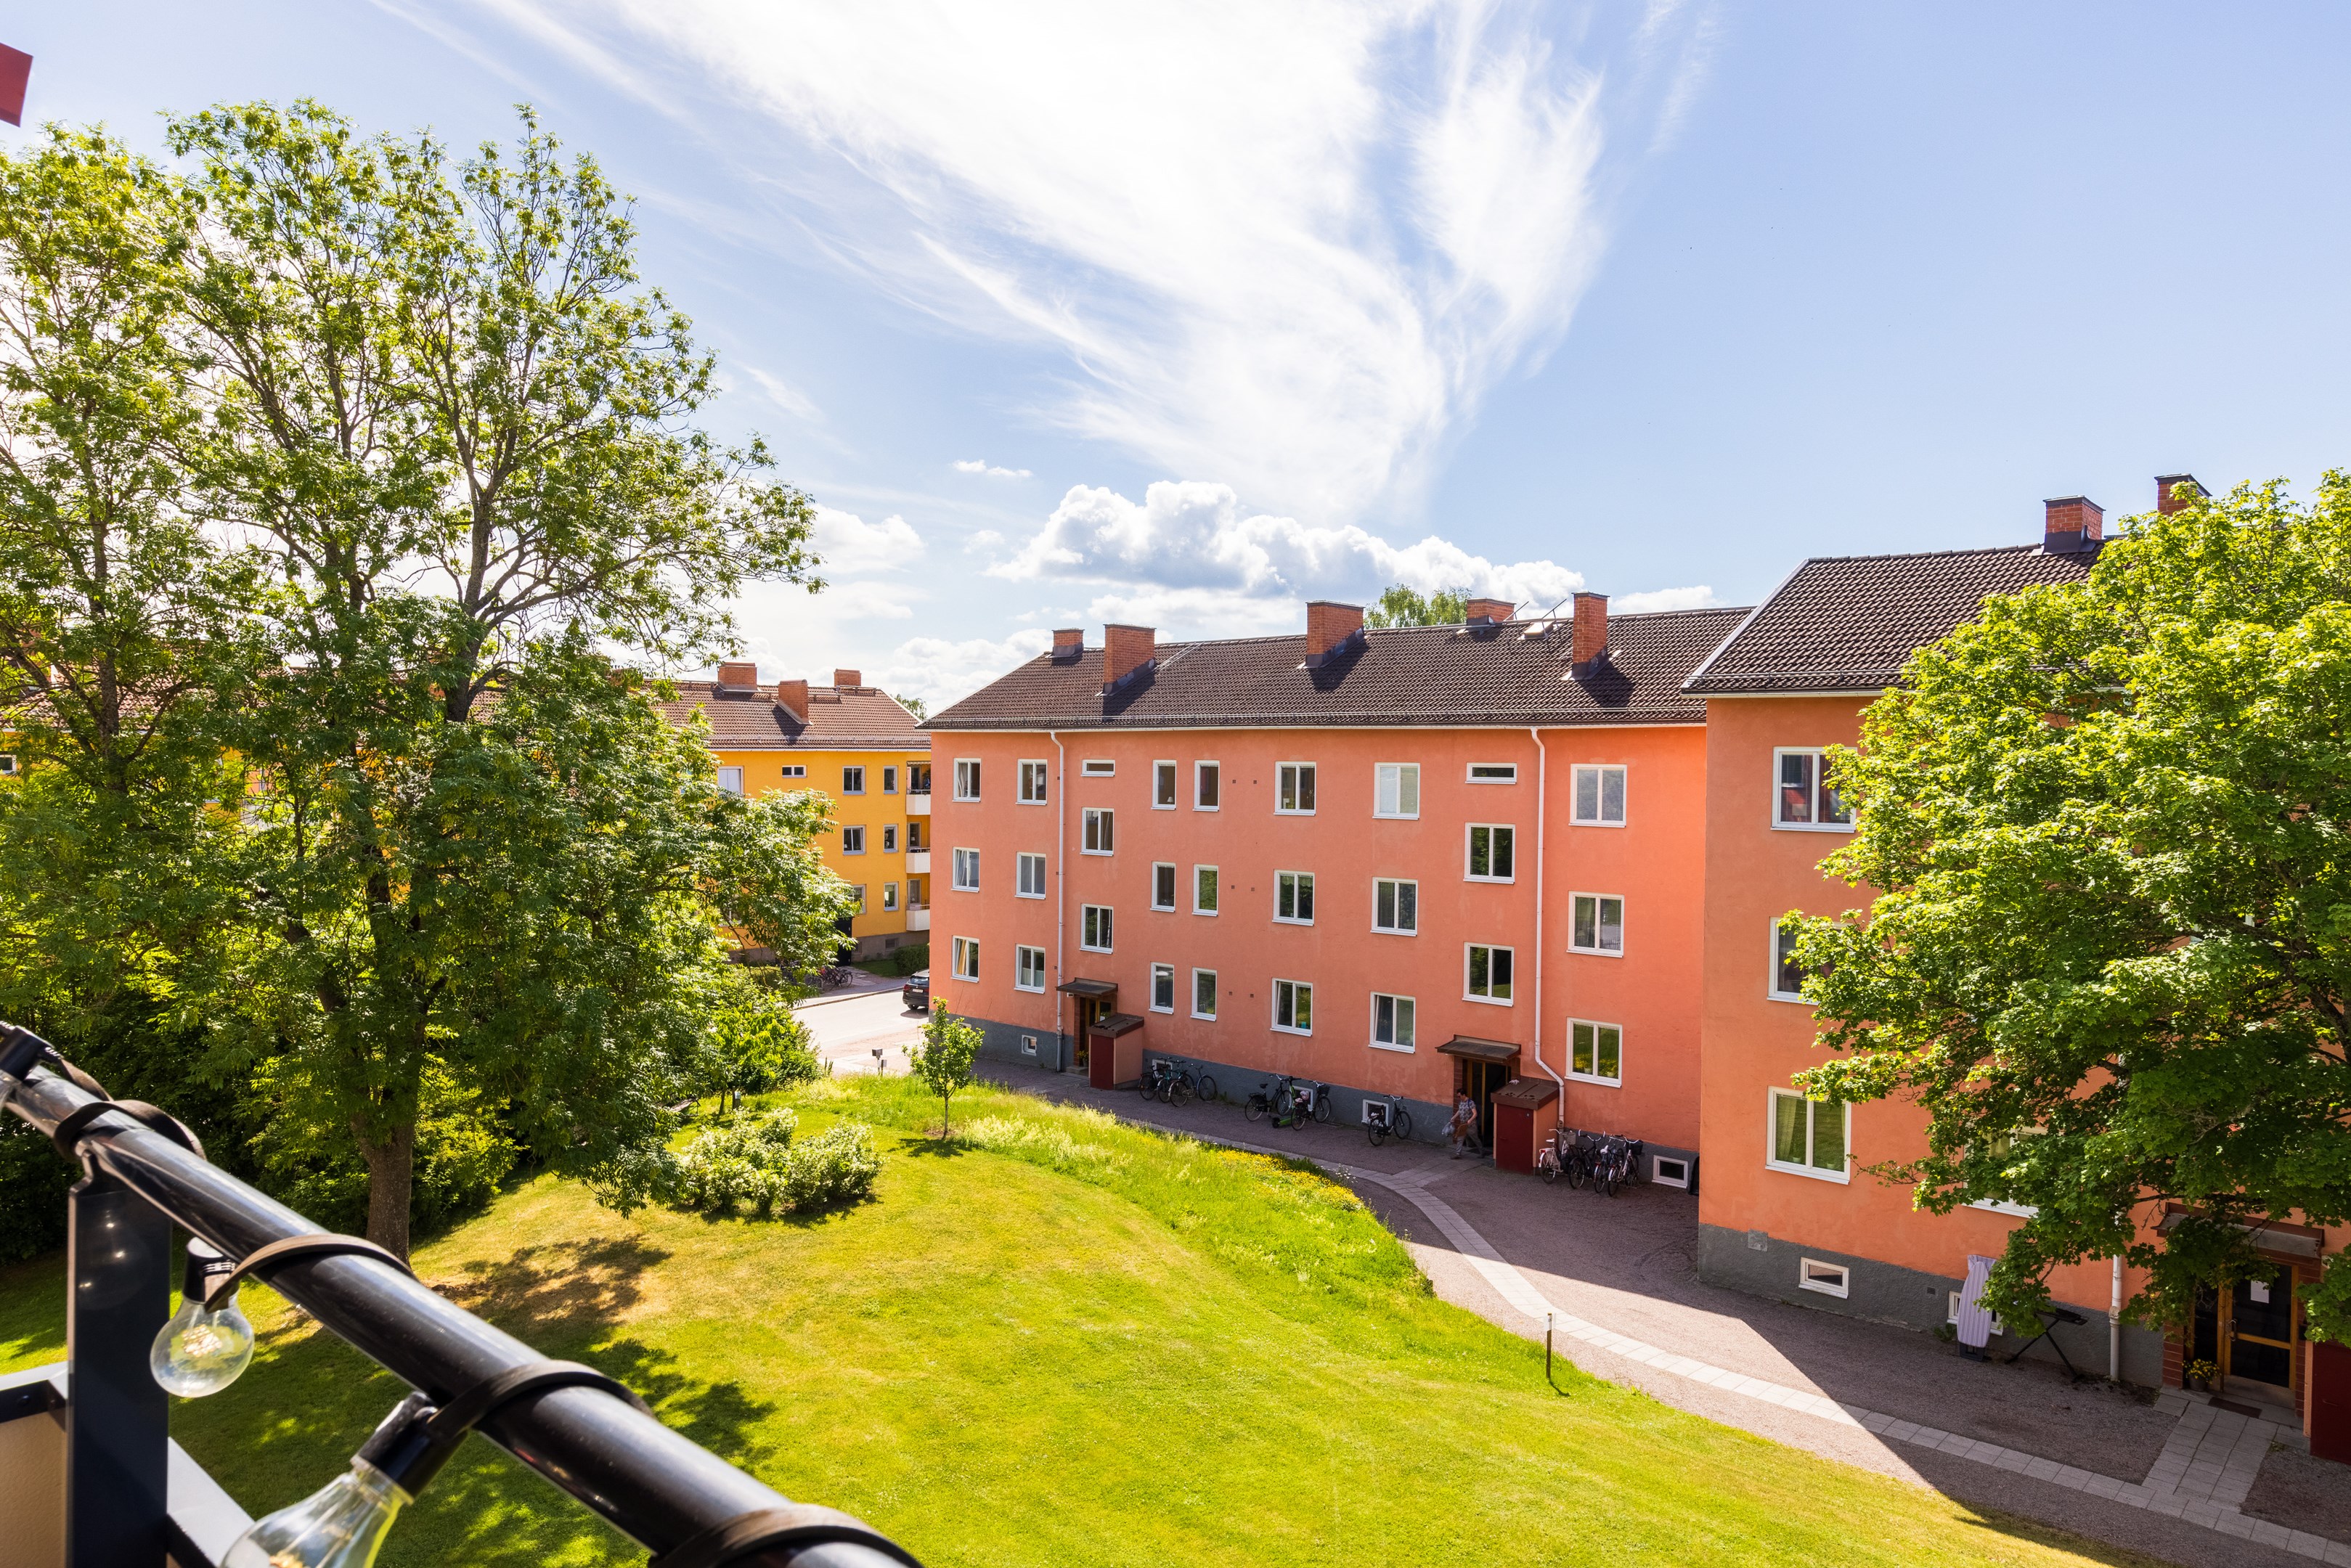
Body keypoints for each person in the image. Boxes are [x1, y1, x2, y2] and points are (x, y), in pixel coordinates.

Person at [1449, 1093, 1483, 1159]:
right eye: (1458, 1096)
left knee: (1475, 1139)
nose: (1459, 1098)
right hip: (1463, 1125)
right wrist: (1454, 1117)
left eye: (1460, 1096)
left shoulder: (1470, 1102)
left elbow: (1475, 1114)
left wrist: (1470, 1120)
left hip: (1471, 1125)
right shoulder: (1461, 1102)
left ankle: (1482, 1152)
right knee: (1460, 1139)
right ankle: (1458, 1153)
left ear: (1464, 1095)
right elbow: (1459, 1111)